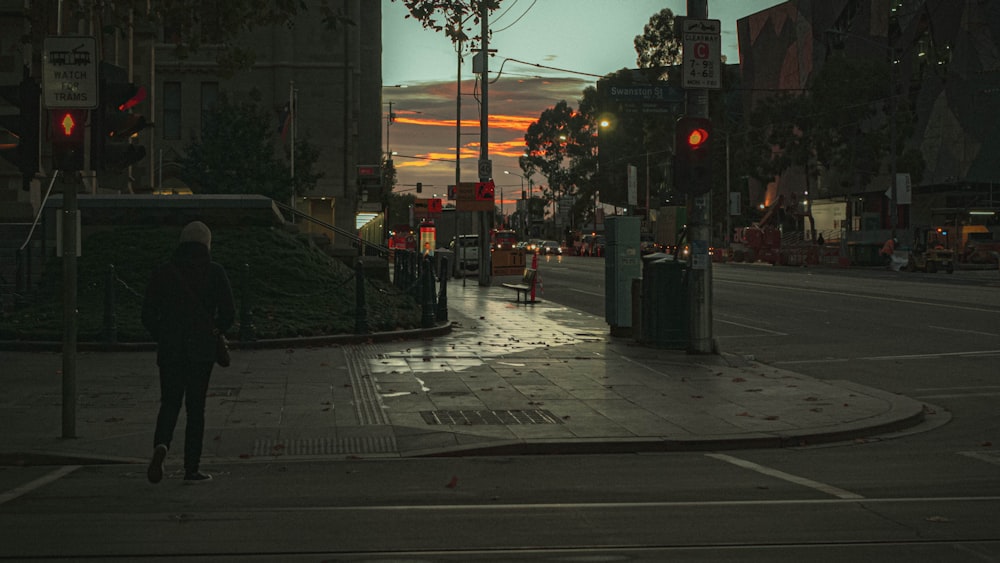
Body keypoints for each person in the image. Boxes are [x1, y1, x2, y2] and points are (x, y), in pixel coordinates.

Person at [142, 221, 235, 484]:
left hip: (171, 348)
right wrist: (216, 331)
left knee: (169, 402)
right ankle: (191, 468)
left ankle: (162, 444)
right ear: (207, 244)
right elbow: (229, 312)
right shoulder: (214, 272)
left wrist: (162, 334)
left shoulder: (164, 272)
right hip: (202, 349)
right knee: (196, 408)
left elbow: (147, 313)